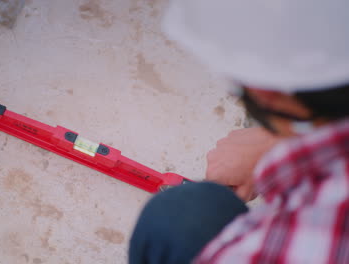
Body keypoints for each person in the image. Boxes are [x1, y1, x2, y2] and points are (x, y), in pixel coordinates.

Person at [129, 0, 349, 263]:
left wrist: (281, 146)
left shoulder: (285, 247)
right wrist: (275, 142)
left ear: (266, 91)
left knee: (174, 217)